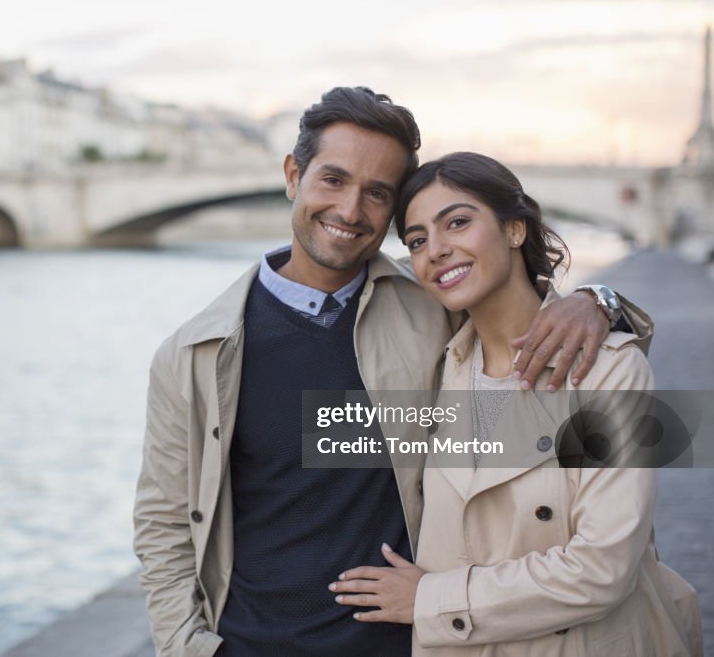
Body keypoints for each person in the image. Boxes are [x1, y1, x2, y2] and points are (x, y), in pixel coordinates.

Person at [133, 88, 652, 657]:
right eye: (333, 180)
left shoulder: (433, 305)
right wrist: (185, 647)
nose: (351, 211)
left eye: (377, 193)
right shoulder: (194, 354)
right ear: (293, 175)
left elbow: (516, 303)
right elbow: (163, 522)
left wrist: (600, 302)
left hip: (413, 640)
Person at [330, 152, 702, 655]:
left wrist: (430, 598)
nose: (435, 250)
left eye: (457, 222)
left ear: (515, 231)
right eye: (417, 241)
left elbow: (603, 569)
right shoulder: (436, 369)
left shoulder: (611, 370)